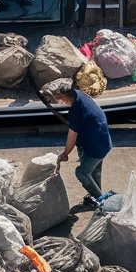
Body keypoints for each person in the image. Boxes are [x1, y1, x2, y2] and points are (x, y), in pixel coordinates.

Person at [50, 78, 113, 206]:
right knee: (94, 171)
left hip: (95, 146)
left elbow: (72, 137)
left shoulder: (75, 110)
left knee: (82, 172)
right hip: (103, 141)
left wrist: (65, 153)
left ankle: (103, 202)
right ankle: (96, 197)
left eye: (59, 99)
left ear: (65, 97)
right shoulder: (79, 94)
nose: (59, 102)